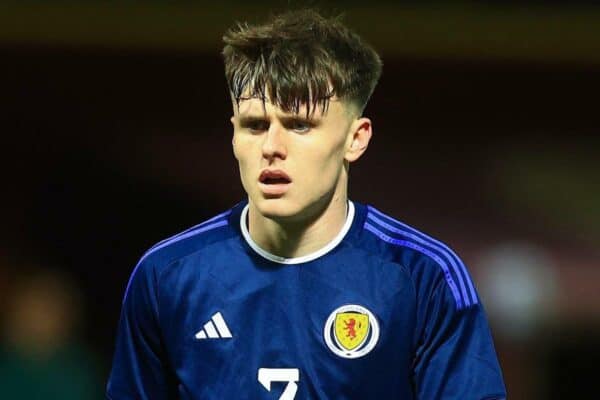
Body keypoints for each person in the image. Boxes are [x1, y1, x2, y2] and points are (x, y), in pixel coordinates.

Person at [106, 9, 506, 400]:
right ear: (233, 134)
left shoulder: (424, 279)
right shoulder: (166, 276)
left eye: (299, 125)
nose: (272, 148)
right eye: (255, 125)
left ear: (356, 139)